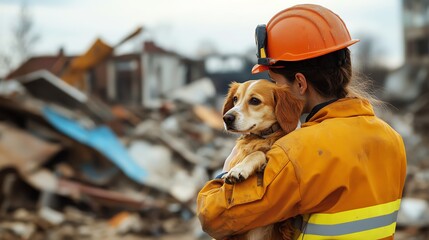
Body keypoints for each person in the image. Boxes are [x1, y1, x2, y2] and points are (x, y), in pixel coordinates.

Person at [197, 4, 407, 240]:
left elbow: (214, 217)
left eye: (275, 81)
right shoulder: (391, 139)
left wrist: (226, 169)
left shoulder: (296, 150)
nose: (276, 90)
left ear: (300, 83)